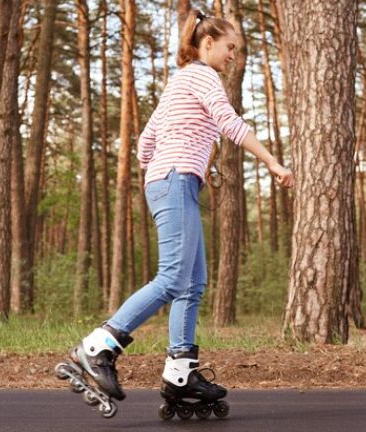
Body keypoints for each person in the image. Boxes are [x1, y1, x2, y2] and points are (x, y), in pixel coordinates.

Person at [65, 9, 294, 414]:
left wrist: (167, 166)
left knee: (192, 282)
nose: (232, 57)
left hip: (172, 180)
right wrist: (272, 162)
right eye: (229, 48)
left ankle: (180, 372)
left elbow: (144, 143)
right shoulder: (204, 75)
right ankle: (96, 348)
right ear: (208, 43)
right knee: (172, 278)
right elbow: (229, 122)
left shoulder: (179, 82)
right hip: (176, 180)